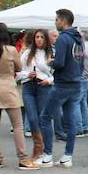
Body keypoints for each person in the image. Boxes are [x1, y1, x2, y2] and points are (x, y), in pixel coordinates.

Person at [0, 23, 37, 169]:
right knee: (18, 125)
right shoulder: (11, 50)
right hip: (8, 86)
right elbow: (19, 67)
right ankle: (22, 158)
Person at [47, 9, 84, 168]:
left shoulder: (63, 38)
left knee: (45, 117)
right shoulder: (79, 39)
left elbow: (60, 62)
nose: (55, 22)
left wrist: (51, 62)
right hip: (76, 82)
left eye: (56, 20)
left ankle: (47, 154)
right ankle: (68, 155)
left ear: (63, 20)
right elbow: (80, 61)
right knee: (71, 121)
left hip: (63, 83)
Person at [19, 29, 53, 160]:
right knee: (32, 119)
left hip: (44, 87)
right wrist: (27, 74)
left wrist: (48, 80)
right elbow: (17, 73)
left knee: (43, 118)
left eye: (42, 37)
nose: (39, 39)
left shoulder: (51, 53)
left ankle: (45, 150)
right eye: (37, 37)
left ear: (46, 39)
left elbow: (57, 74)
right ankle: (38, 148)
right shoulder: (27, 54)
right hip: (28, 86)